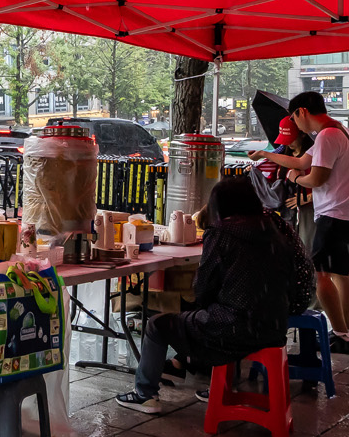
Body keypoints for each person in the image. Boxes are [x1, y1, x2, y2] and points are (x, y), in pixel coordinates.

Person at [117, 174, 304, 410]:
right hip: (273, 328)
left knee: (158, 325)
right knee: (200, 318)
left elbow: (203, 289)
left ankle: (145, 394)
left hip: (235, 331)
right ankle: (189, 367)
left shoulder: (222, 232)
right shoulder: (274, 231)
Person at [254, 91, 349, 356]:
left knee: (320, 275)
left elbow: (315, 178)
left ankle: (342, 335)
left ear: (302, 112)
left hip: (335, 215)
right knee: (340, 273)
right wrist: (267, 155)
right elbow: (301, 160)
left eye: (294, 117)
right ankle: (343, 332)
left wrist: (294, 178)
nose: (295, 123)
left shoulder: (327, 136)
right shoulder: (339, 130)